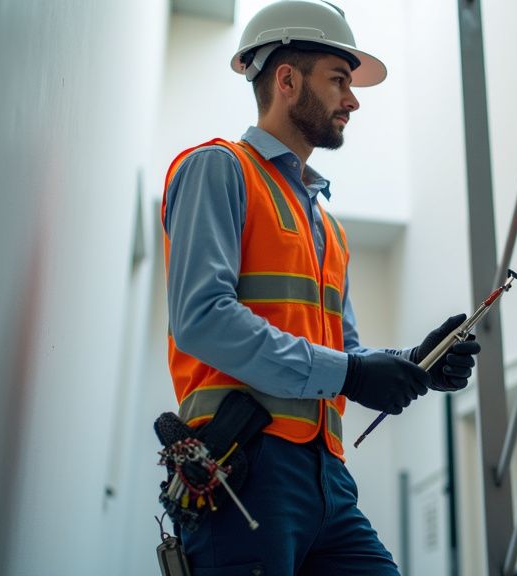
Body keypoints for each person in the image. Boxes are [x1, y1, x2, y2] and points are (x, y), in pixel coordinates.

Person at [161, 0, 481, 574]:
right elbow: (203, 317)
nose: (353, 100)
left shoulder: (327, 227)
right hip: (244, 467)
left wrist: (413, 363)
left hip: (327, 476)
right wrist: (354, 374)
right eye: (339, 80)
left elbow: (344, 355)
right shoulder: (218, 168)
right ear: (286, 80)